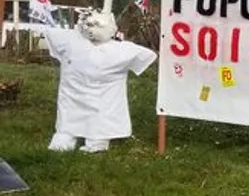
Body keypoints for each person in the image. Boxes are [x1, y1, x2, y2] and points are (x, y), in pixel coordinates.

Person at [35, 8, 158, 153]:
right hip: (74, 99)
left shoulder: (121, 50)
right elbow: (147, 55)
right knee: (71, 121)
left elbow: (147, 56)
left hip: (99, 103)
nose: (91, 30)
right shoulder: (72, 41)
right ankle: (68, 138)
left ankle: (95, 141)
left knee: (98, 123)